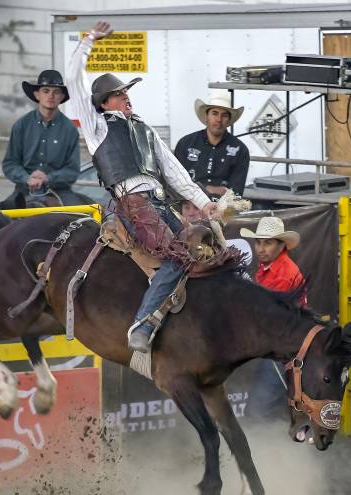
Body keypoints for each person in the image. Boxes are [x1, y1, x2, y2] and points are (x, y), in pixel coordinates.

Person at [66, 20, 219, 353]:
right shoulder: (96, 128)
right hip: (134, 204)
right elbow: (73, 81)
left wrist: (203, 203)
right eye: (119, 94)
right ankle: (144, 323)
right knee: (178, 258)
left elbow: (175, 171)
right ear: (104, 103)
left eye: (125, 92)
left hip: (160, 203)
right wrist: (89, 40)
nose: (126, 97)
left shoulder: (145, 130)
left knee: (203, 251)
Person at [240, 216, 305, 421]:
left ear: (280, 245)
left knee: (255, 411)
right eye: (258, 242)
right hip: (277, 346)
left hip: (283, 350)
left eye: (267, 243)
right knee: (268, 407)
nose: (261, 248)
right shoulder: (269, 268)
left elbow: (266, 316)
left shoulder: (284, 274)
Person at [2, 69, 81, 207]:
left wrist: (48, 178)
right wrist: (27, 178)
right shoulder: (21, 125)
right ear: (36, 95)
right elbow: (10, 164)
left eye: (56, 92)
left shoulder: (69, 129)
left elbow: (72, 170)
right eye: (45, 91)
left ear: (62, 97)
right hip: (25, 189)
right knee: (1, 219)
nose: (50, 96)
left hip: (59, 190)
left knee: (81, 219)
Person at [174, 90, 250, 207]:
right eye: (214, 113)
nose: (219, 119)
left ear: (229, 120)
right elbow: (175, 183)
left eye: (224, 115)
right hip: (188, 207)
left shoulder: (240, 150)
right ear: (206, 117)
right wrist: (208, 188)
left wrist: (200, 187)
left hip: (222, 210)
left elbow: (236, 193)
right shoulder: (185, 144)